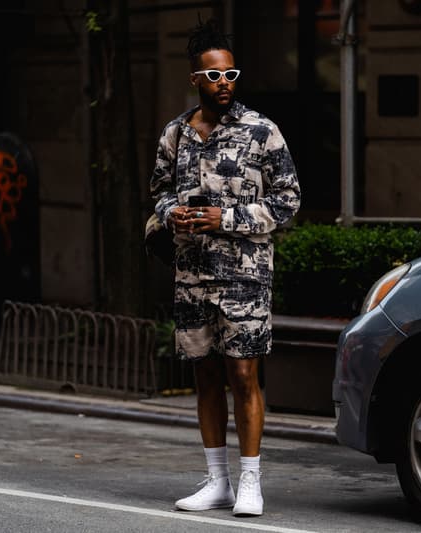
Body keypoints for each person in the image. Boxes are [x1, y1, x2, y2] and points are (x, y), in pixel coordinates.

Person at [149, 17, 301, 517]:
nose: (223, 84)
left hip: (244, 276)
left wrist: (226, 217)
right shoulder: (175, 135)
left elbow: (288, 201)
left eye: (231, 75)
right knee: (206, 377)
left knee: (243, 373)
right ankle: (217, 481)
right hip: (191, 275)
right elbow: (159, 194)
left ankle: (251, 483)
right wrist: (173, 212)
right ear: (196, 79)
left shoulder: (262, 131)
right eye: (214, 76)